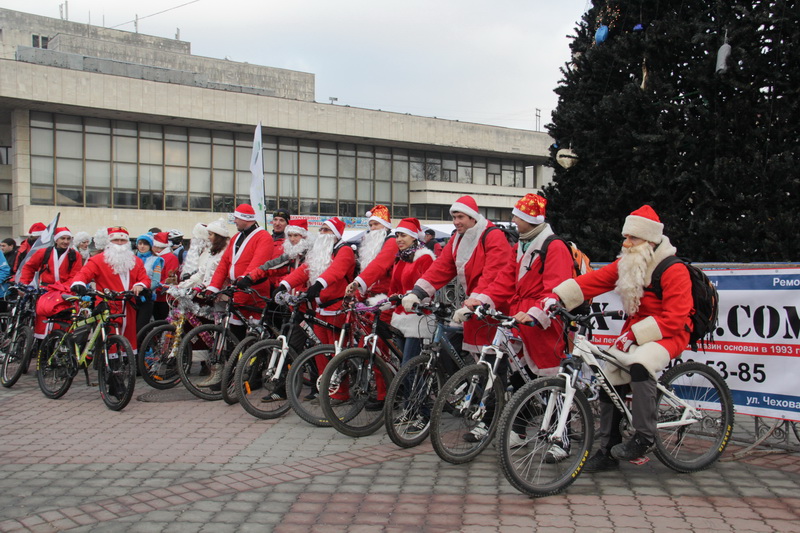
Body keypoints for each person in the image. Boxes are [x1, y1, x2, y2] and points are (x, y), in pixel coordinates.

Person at [547, 205, 693, 471]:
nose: (625, 243)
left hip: (669, 333)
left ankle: (644, 437)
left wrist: (635, 335)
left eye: (632, 238)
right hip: (637, 330)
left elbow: (676, 318)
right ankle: (608, 450)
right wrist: (555, 297)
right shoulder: (628, 262)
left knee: (640, 364)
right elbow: (593, 280)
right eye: (625, 237)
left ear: (649, 241)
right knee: (608, 376)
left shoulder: (673, 269)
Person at [402, 195, 516, 354]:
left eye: (460, 217)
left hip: (493, 307)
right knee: (450, 351)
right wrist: (418, 292)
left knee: (491, 360)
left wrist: (475, 301)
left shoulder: (493, 236)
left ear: (473, 217)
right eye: (454, 217)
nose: (456, 222)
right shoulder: (457, 238)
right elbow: (442, 266)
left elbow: (493, 275)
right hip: (472, 305)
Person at [277, 217, 354, 401]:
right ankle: (325, 390)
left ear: (335, 234)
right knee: (319, 352)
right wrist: (284, 285)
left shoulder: (345, 251)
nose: (322, 234)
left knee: (336, 352)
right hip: (320, 309)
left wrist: (318, 285)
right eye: (321, 230)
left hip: (337, 308)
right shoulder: (319, 252)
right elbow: (304, 270)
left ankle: (341, 394)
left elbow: (336, 271)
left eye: (327, 230)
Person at [204, 204, 274, 385]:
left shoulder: (263, 236)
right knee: (234, 335)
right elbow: (224, 264)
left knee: (255, 334)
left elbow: (259, 261)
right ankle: (233, 373)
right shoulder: (236, 237)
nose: (234, 221)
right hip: (237, 291)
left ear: (246, 219)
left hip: (254, 291)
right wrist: (213, 287)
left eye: (236, 218)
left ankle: (256, 373)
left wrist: (247, 278)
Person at [70, 227, 150, 353]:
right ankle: (107, 364)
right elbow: (84, 274)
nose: (119, 243)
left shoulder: (136, 261)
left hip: (128, 305)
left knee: (128, 336)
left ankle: (126, 362)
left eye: (122, 241)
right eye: (116, 240)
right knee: (108, 337)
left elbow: (144, 278)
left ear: (127, 243)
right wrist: (79, 284)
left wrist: (140, 285)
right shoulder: (97, 260)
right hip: (107, 304)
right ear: (109, 242)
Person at [388, 218, 437, 366]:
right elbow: (394, 287)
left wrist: (413, 297)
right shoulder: (400, 258)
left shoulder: (424, 257)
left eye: (403, 235)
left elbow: (430, 287)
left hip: (418, 317)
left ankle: (414, 389)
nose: (398, 240)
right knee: (402, 364)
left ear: (414, 237)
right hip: (400, 316)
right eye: (397, 236)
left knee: (408, 366)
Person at [346, 204, 398, 302]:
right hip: (371, 295)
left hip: (386, 297)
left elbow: (379, 264)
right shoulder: (375, 242)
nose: (373, 228)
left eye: (376, 224)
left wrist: (358, 282)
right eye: (370, 225)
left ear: (385, 225)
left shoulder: (392, 240)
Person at [238, 219, 311, 289]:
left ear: (304, 237)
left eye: (295, 235)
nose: (292, 239)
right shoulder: (290, 255)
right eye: (289, 235)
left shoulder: (310, 255)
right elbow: (270, 266)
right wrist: (250, 277)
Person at [134, 233, 163, 333]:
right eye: (140, 243)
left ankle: (145, 348)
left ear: (150, 246)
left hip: (146, 298)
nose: (142, 246)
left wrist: (143, 288)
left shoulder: (156, 260)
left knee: (141, 329)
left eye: (145, 244)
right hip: (131, 298)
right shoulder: (131, 259)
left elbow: (155, 281)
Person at [152, 232, 180, 320]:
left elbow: (170, 279)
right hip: (155, 296)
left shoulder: (171, 258)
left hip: (165, 298)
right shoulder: (155, 257)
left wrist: (154, 286)